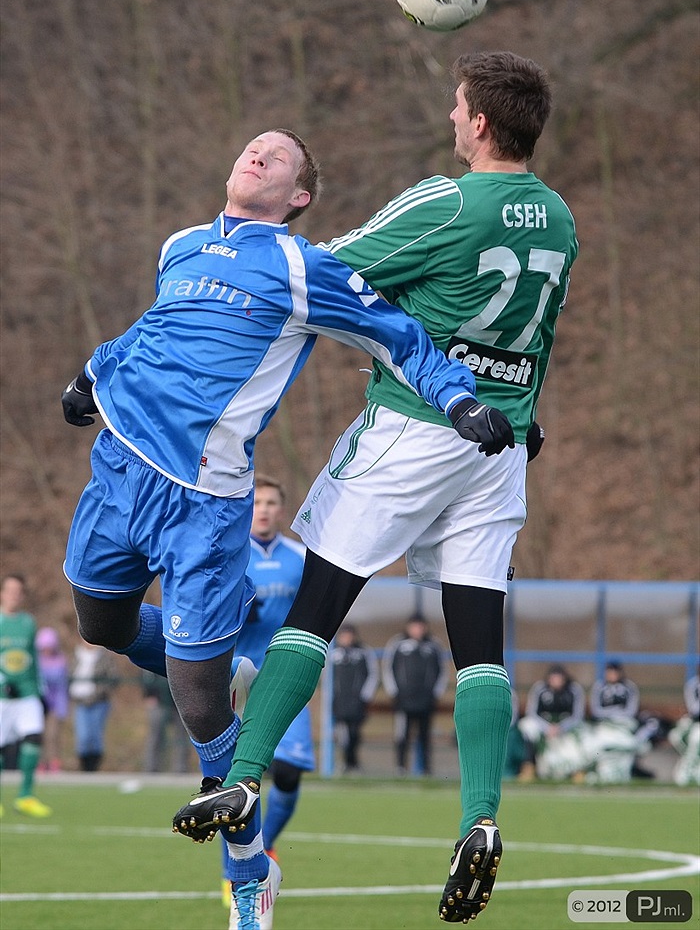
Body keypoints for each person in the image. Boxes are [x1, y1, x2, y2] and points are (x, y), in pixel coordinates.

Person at [60, 128, 510, 929]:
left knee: (201, 705)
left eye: (279, 156)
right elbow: (154, 327)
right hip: (118, 471)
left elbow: (396, 332)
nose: (258, 153)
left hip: (203, 504)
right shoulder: (181, 245)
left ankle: (250, 874)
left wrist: (457, 397)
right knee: (100, 623)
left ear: (299, 196)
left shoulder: (302, 266)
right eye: (253, 146)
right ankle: (220, 655)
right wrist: (94, 372)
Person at [177, 52, 579, 924]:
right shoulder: (559, 217)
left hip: (415, 427)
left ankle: (242, 777)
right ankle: (480, 817)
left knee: (316, 607)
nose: (451, 117)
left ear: (479, 122)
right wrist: (524, 409)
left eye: (458, 106)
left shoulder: (446, 201)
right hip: (499, 446)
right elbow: (537, 335)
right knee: (480, 642)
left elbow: (323, 272)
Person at [220, 475, 315, 909]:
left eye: (271, 503)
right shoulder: (229, 554)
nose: (263, 509)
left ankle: (265, 843)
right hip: (236, 677)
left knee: (289, 771)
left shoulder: (301, 558)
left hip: (283, 676)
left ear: (281, 509)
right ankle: (234, 872)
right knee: (235, 780)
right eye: (257, 502)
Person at [0, 574, 52, 817]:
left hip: (28, 693)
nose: (14, 595)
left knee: (33, 739)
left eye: (18, 591)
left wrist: (42, 692)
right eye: (10, 590)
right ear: (2, 593)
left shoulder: (28, 623)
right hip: (2, 697)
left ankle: (25, 796)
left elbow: (34, 661)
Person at [382, 614, 447, 776]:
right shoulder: (397, 644)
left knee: (425, 736)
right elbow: (388, 668)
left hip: (426, 700)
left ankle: (426, 769)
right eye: (414, 626)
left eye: (420, 626)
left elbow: (442, 671)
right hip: (404, 700)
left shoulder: (434, 646)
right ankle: (401, 767)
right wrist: (394, 692)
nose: (417, 629)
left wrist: (436, 693)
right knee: (402, 734)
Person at [517, 663, 586, 780]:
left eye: (559, 678)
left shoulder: (574, 689)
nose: (556, 681)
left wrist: (561, 727)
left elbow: (578, 715)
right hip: (544, 725)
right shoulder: (540, 688)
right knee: (526, 726)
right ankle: (529, 765)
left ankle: (578, 769)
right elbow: (531, 712)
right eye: (554, 678)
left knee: (583, 733)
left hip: (566, 727)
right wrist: (547, 727)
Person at [330, 623, 378, 773]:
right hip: (338, 701)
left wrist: (364, 695)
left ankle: (353, 763)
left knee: (354, 733)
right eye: (344, 635)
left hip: (357, 701)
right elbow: (326, 677)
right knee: (341, 734)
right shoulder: (332, 653)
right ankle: (344, 762)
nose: (347, 638)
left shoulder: (364, 652)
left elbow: (372, 674)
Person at [70, 639, 118, 771]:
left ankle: (94, 767)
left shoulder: (104, 657)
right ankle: (84, 766)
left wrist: (100, 690)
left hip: (99, 701)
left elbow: (112, 677)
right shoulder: (76, 655)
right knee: (83, 735)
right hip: (80, 701)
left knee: (95, 735)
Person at [141, 671, 193, 774]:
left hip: (180, 704)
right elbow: (146, 675)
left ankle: (180, 768)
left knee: (181, 737)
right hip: (160, 702)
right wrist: (149, 694)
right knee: (155, 736)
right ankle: (151, 767)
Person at [35, 626, 71, 772]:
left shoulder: (60, 661)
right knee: (39, 734)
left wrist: (62, 707)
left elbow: (62, 686)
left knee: (52, 735)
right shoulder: (35, 661)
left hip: (55, 704)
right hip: (39, 703)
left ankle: (54, 762)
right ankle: (40, 762)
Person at [669, 669, 700, 786]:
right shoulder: (693, 685)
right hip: (694, 721)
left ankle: (691, 769)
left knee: (696, 737)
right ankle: (689, 763)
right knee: (675, 736)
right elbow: (693, 709)